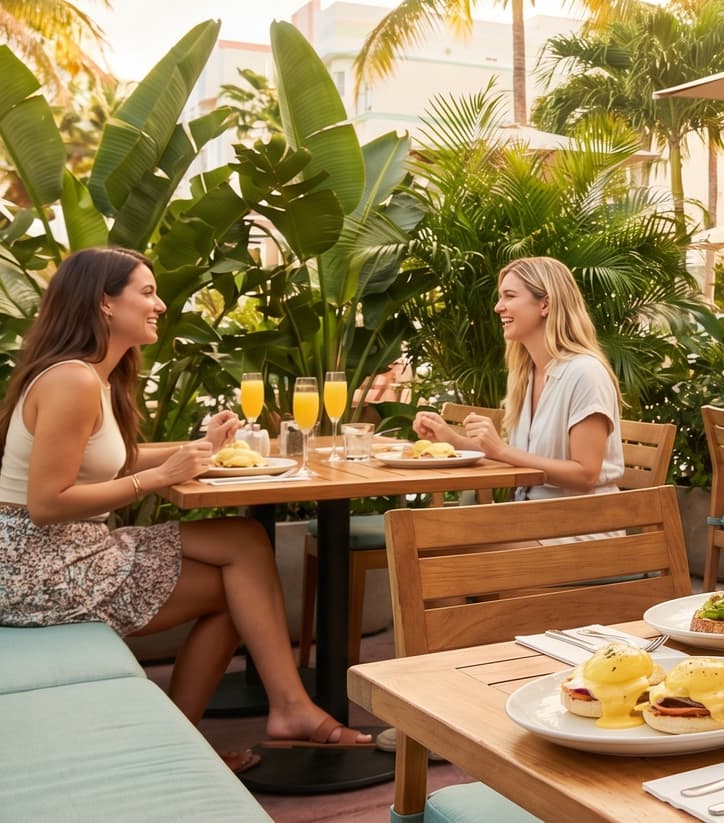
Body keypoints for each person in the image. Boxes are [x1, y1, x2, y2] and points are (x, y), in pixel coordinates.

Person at [0, 247, 372, 773]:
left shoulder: (92, 377)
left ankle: (275, 712)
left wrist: (200, 449)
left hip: (68, 548)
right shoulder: (73, 381)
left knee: (244, 537)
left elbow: (107, 459)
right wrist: (159, 478)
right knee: (233, 591)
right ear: (105, 303)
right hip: (38, 567)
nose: (160, 306)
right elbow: (45, 504)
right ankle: (201, 739)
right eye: (146, 293)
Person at [414, 257, 624, 507]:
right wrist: (452, 440)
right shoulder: (526, 373)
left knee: (429, 540)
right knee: (427, 538)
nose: (498, 307)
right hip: (528, 517)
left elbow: (586, 474)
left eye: (509, 296)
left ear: (545, 304)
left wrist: (501, 450)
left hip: (577, 525)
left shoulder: (585, 373)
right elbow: (521, 457)